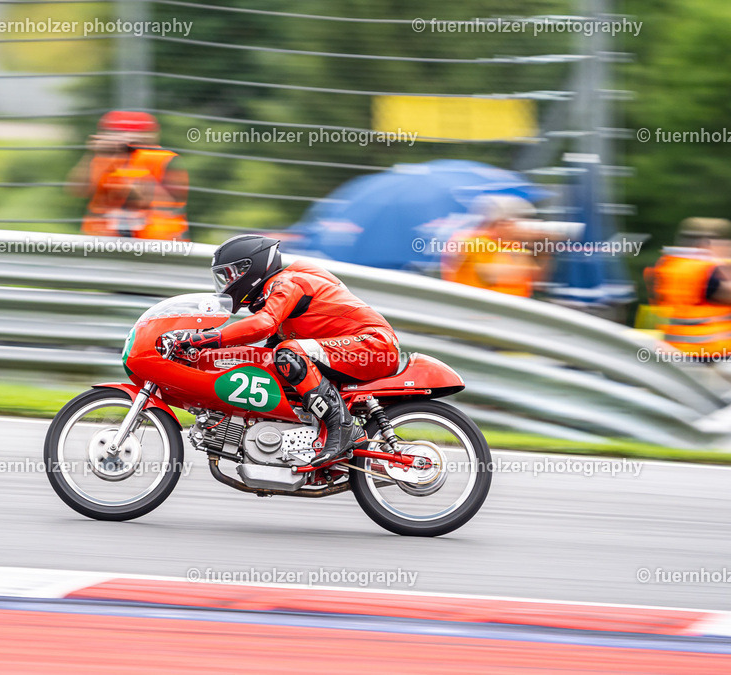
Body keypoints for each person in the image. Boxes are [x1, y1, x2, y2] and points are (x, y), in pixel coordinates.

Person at [175, 235, 400, 466]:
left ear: (251, 268)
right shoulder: (274, 296)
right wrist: (204, 354)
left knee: (289, 353)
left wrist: (204, 339)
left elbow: (262, 325)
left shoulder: (286, 282)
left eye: (231, 274)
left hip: (373, 344)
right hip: (357, 348)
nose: (227, 283)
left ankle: (343, 428)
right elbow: (262, 354)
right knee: (276, 361)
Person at [68, 111, 188, 240]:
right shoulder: (103, 158)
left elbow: (152, 199)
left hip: (157, 241)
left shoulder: (164, 159)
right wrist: (92, 154)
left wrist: (123, 166)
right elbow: (77, 190)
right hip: (103, 239)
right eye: (115, 133)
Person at [646, 217, 731, 358]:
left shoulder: (669, 264)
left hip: (675, 348)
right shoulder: (704, 269)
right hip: (710, 352)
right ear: (707, 242)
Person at [441, 195, 542, 298]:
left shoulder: (509, 244)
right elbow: (492, 276)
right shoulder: (476, 242)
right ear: (501, 222)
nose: (519, 226)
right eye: (515, 222)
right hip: (478, 308)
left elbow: (536, 277)